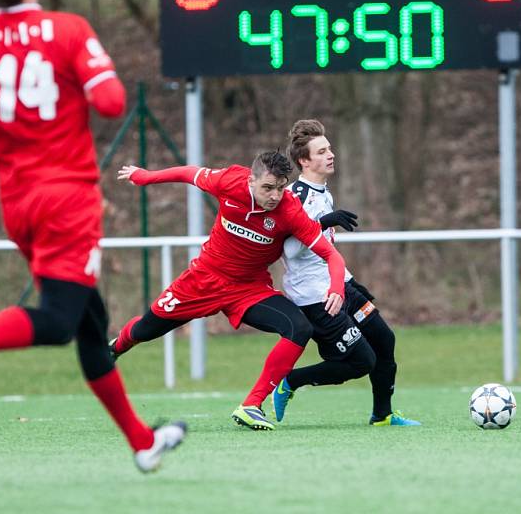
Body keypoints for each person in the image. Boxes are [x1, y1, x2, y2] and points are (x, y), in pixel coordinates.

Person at [0, 0, 185, 473]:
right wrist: (83, 80)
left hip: (17, 203)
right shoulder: (68, 30)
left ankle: (141, 442)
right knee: (61, 320)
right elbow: (111, 103)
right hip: (68, 199)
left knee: (92, 323)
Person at [110, 151, 347, 431]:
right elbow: (189, 173)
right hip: (204, 280)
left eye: (281, 187)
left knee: (300, 328)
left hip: (249, 289)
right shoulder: (230, 181)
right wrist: (146, 176)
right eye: (267, 188)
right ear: (251, 181)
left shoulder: (290, 210)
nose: (274, 195)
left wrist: (337, 289)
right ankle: (115, 347)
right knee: (145, 331)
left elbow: (332, 256)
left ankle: (251, 405)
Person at [272, 119, 421, 427]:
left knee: (384, 340)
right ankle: (289, 381)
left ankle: (382, 414)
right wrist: (325, 221)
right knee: (360, 362)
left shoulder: (323, 192)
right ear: (304, 160)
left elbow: (323, 249)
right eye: (322, 151)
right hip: (315, 297)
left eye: (330, 148)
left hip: (340, 285)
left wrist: (351, 281)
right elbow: (290, 251)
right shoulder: (296, 196)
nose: (331, 155)